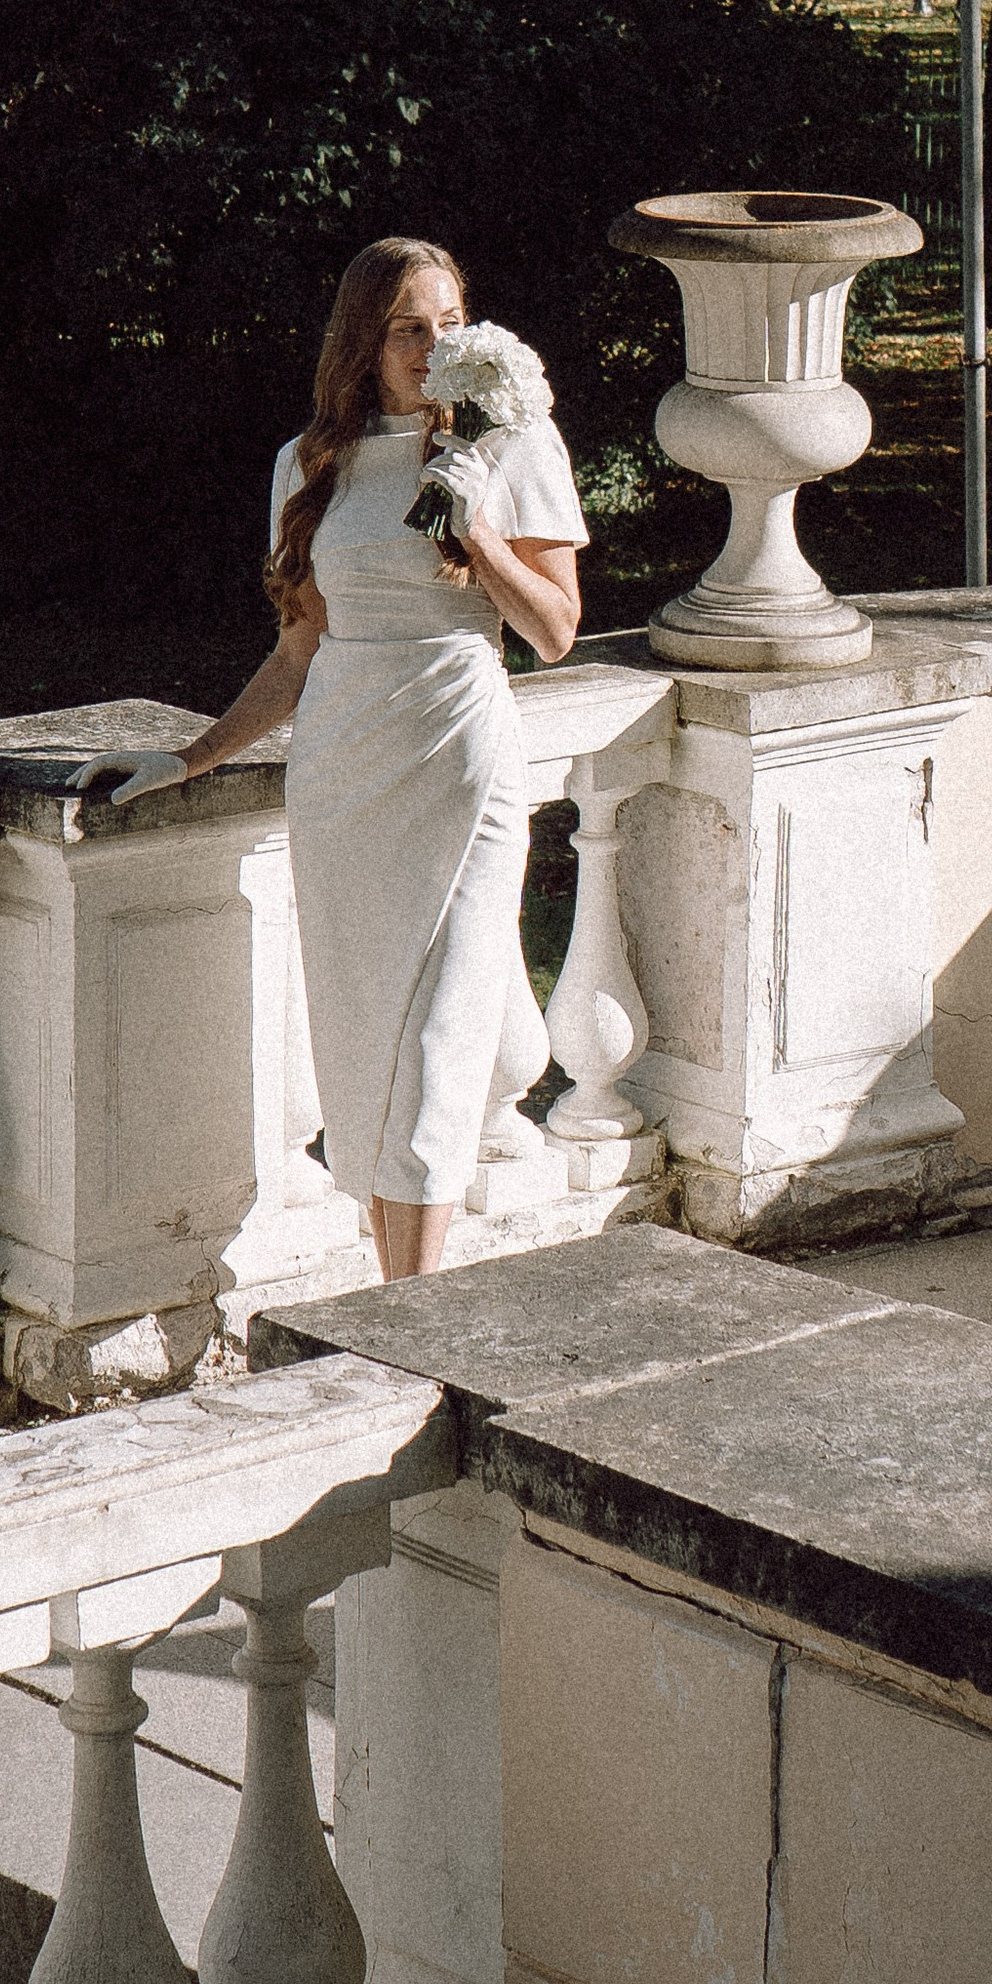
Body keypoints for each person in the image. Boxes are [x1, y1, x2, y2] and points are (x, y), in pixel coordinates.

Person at [166, 237, 585, 1280]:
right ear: (364, 338)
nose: (431, 345)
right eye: (408, 326)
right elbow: (299, 651)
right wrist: (190, 758)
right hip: (345, 770)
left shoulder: (515, 446)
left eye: (449, 324)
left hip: (460, 753)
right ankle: (393, 1286)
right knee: (362, 1038)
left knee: (446, 1034)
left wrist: (473, 528)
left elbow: (556, 631)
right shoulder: (309, 465)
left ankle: (415, 1299)